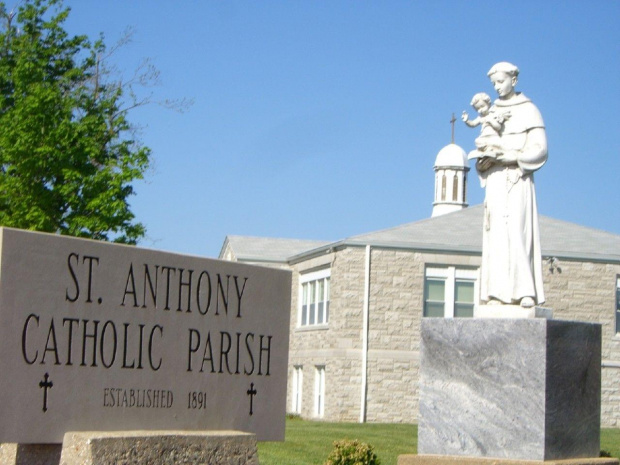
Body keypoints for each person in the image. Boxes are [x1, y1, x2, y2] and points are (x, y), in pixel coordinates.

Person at [475, 62, 547, 308]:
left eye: (501, 81)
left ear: (513, 81)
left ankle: (524, 291)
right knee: (495, 236)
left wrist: (513, 157)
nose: (497, 87)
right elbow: (484, 144)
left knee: (517, 231)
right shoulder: (490, 111)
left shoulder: (528, 109)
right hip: (495, 180)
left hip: (517, 178)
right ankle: (497, 293)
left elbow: (540, 149)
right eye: (494, 83)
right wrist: (484, 161)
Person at [462, 92, 511, 160]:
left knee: (501, 145)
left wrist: (490, 121)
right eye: (478, 109)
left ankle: (497, 151)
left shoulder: (493, 115)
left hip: (493, 136)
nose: (480, 110)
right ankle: (488, 150)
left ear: (488, 104)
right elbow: (473, 124)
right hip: (484, 137)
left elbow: (498, 127)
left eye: (482, 106)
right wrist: (467, 121)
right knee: (477, 141)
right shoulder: (481, 117)